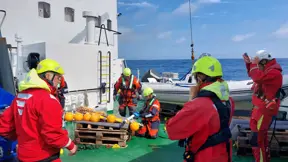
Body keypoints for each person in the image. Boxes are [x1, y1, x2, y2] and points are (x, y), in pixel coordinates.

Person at [0, 58, 77, 162]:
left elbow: (5, 126)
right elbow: (52, 134)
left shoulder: (20, 96)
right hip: (44, 156)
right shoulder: (48, 100)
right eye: (59, 77)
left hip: (23, 156)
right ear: (48, 76)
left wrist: (23, 141)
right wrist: (70, 145)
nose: (60, 81)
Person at [166, 54, 235, 162]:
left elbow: (172, 130)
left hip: (204, 157)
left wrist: (191, 100)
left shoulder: (199, 104)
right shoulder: (228, 100)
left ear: (200, 77)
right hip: (223, 154)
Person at [243, 50, 283, 162]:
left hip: (264, 112)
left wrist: (253, 64)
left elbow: (257, 78)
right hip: (259, 111)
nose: (257, 67)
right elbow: (254, 75)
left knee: (257, 140)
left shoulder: (274, 73)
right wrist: (249, 64)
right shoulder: (267, 71)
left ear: (264, 62)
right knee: (260, 140)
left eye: (258, 64)